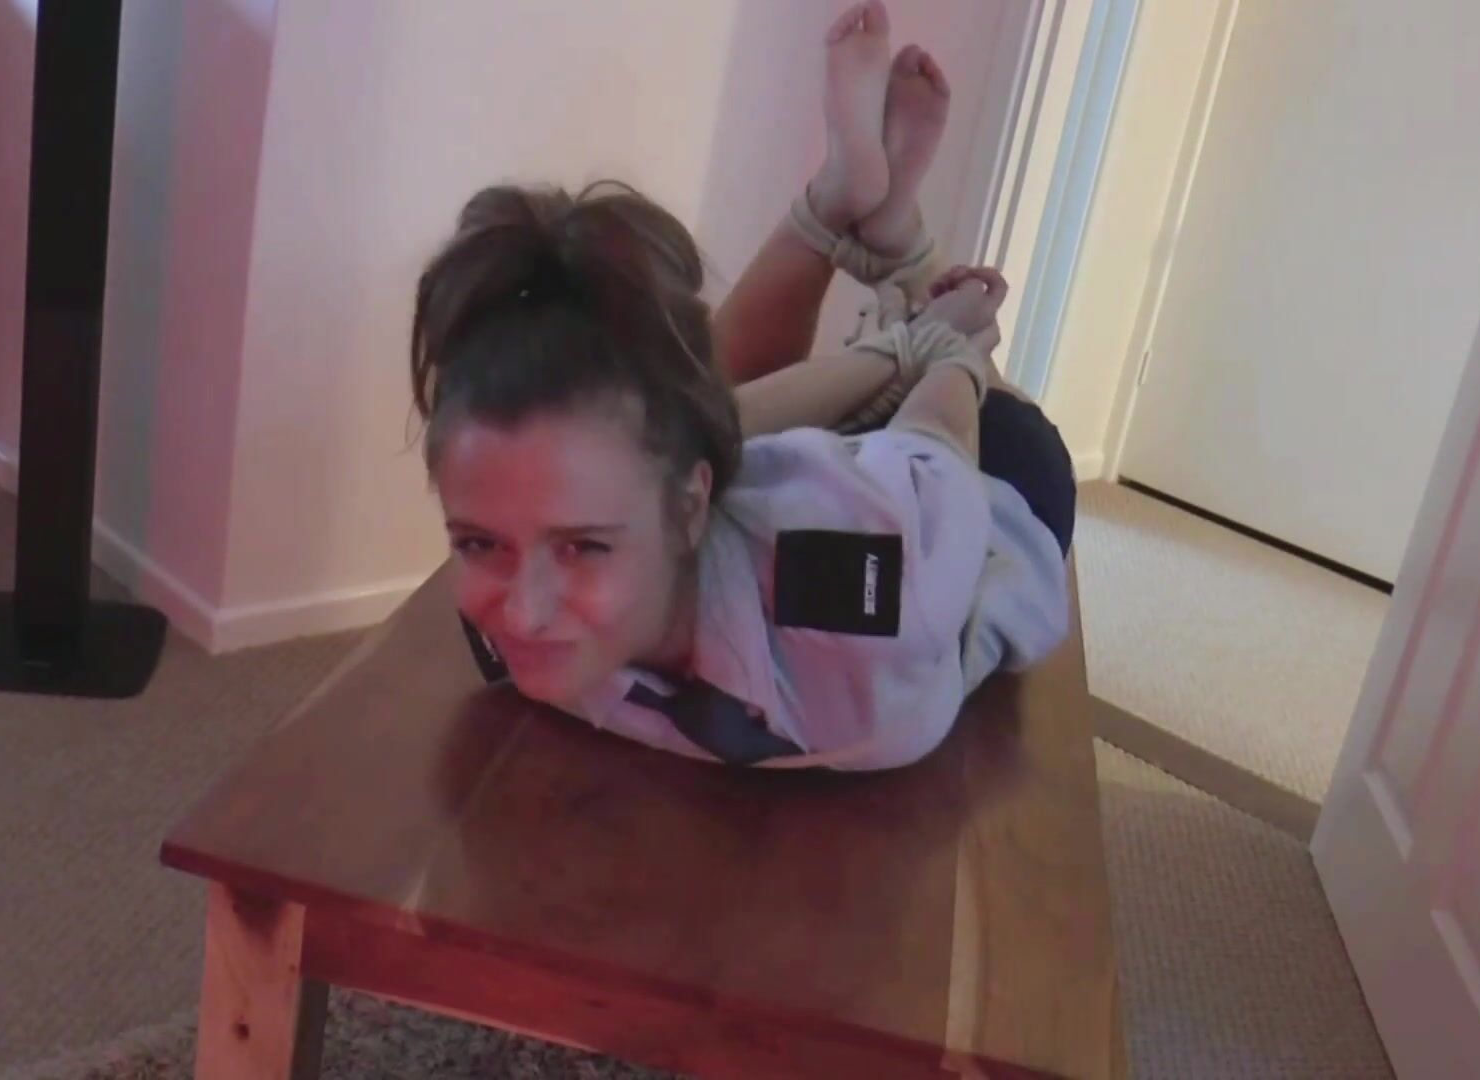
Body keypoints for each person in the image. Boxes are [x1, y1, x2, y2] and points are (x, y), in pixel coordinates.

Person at [409, 2, 1074, 771]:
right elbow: (704, 430)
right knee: (671, 413)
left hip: (986, 479)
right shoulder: (508, 615)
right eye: (480, 543)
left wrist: (948, 348)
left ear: (695, 505)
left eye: (583, 548)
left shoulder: (881, 609)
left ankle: (902, 254)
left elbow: (932, 454)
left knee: (931, 362)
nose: (522, 614)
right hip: (805, 480)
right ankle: (854, 210)